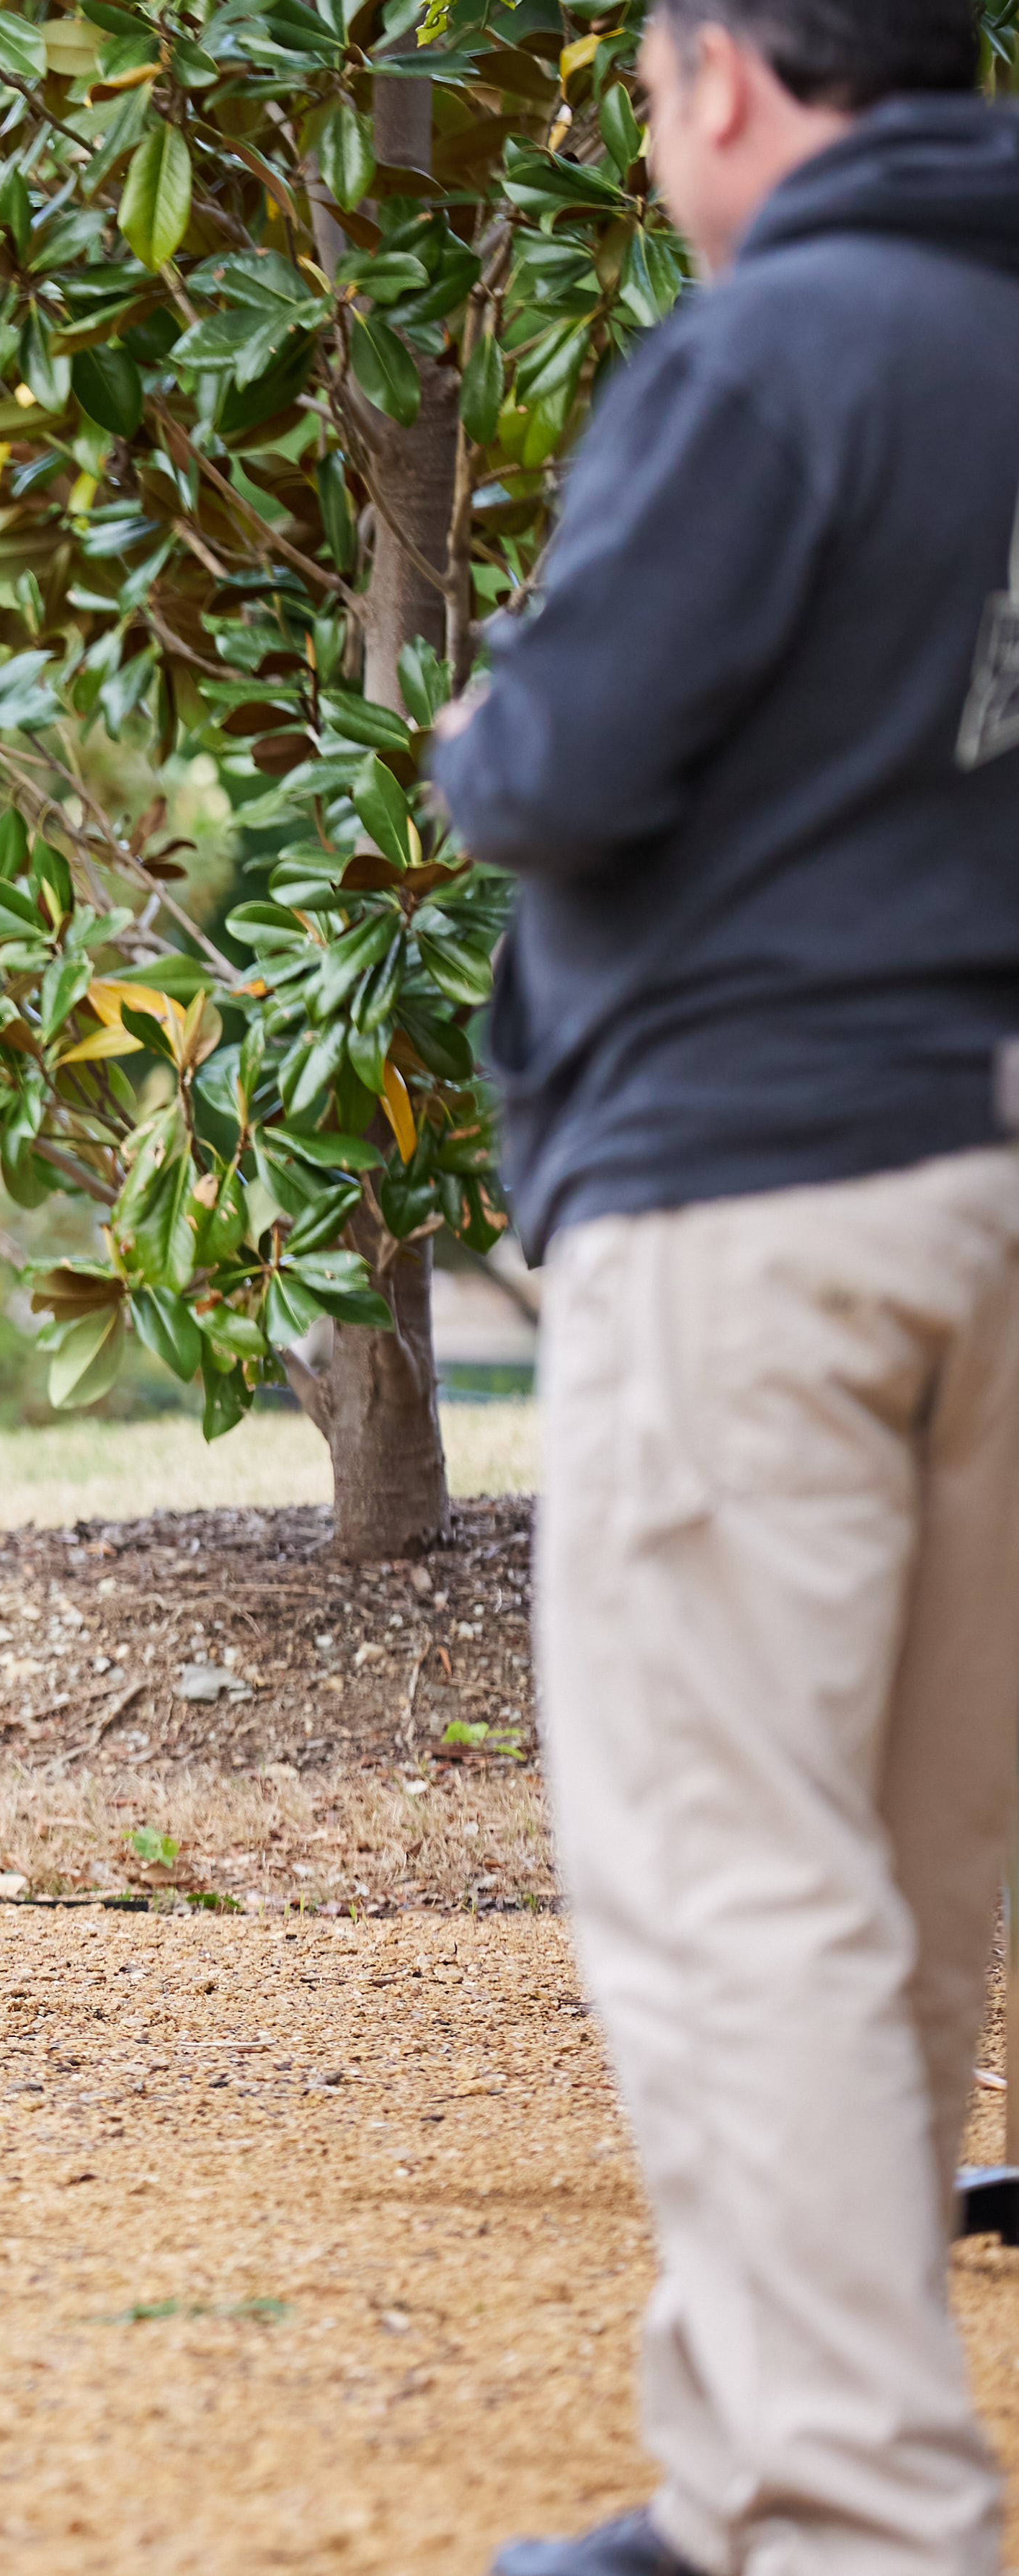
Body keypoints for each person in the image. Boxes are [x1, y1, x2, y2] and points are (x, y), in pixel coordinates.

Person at [424, 1, 1019, 2567]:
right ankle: (755, 2461)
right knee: (893, 1874)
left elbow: (548, 766)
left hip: (758, 1192)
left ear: (725, 84)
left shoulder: (772, 345)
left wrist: (481, 717)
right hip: (996, 1176)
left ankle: (846, 2514)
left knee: (729, 1875)